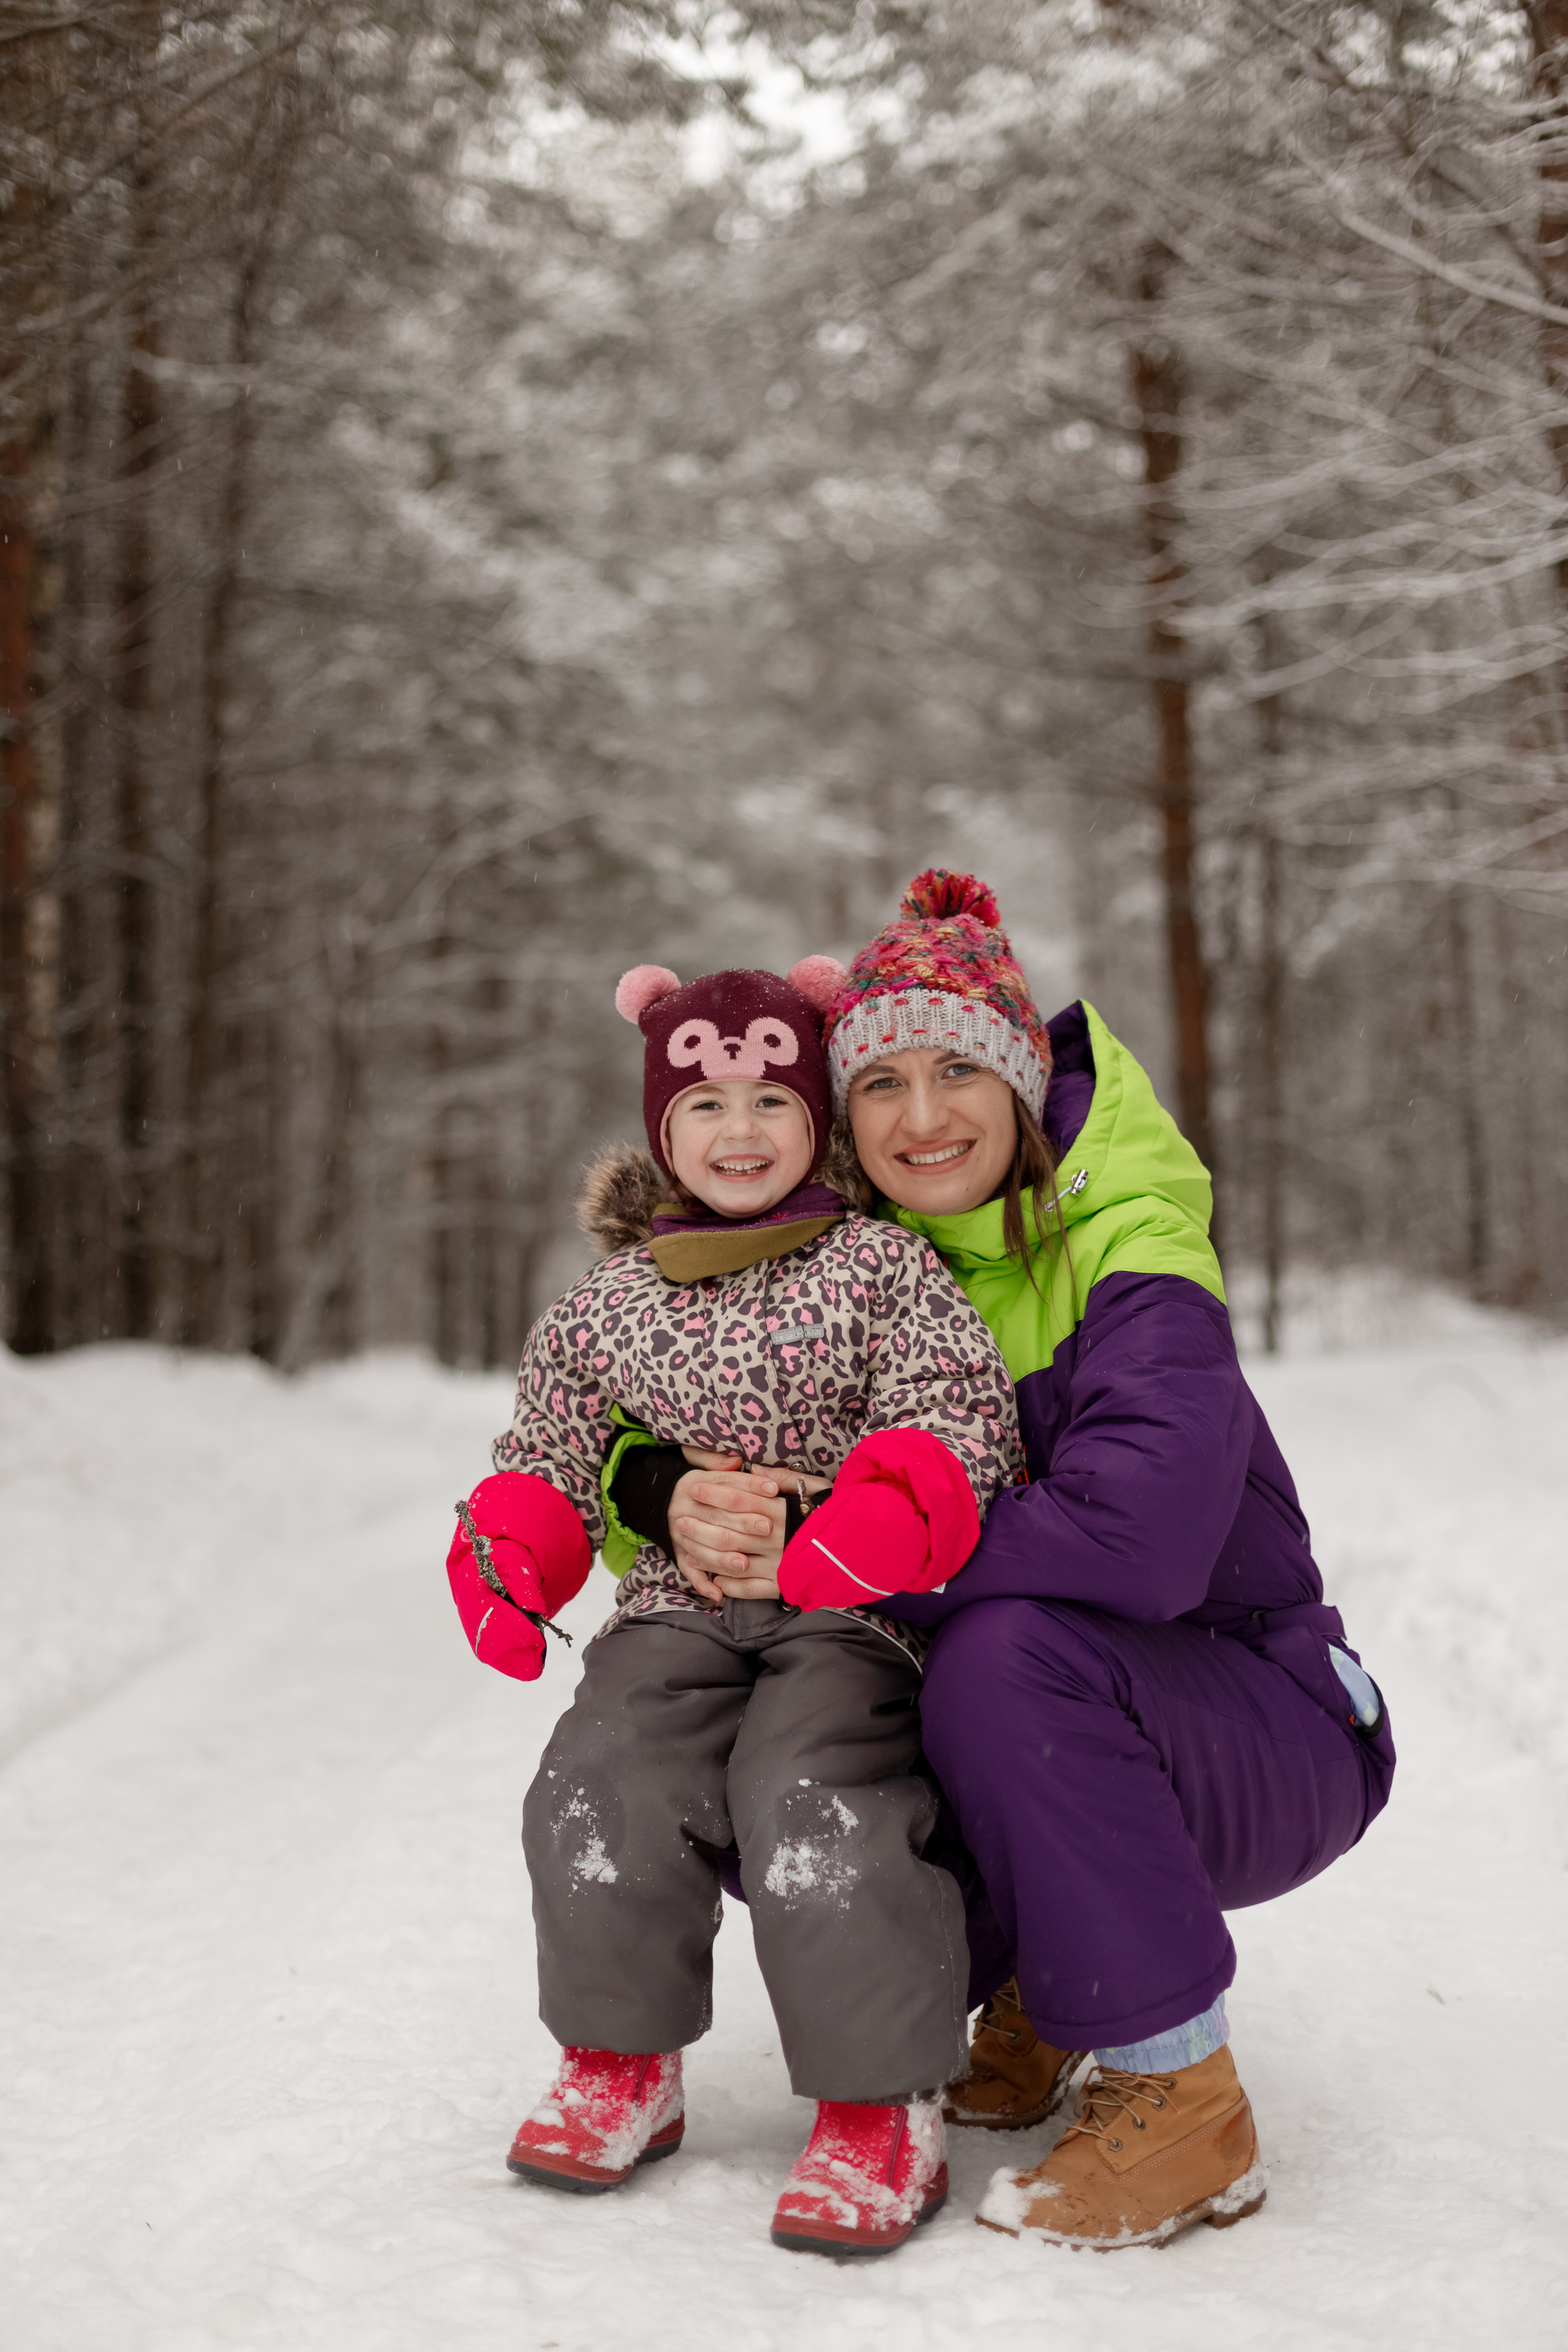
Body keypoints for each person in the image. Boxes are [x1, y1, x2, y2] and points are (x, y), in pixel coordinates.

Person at [631, 869, 1395, 2251]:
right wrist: (671, 1499)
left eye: (957, 1074)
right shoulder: (858, 1277)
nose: (922, 1120)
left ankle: (1183, 2101)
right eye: (880, 1087)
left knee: (999, 1655)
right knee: (774, 1728)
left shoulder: (1129, 1243)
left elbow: (1141, 1541)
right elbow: (688, 1431)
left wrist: (838, 1544)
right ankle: (1042, 1993)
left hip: (1259, 1715)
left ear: (1020, 1079)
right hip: (1096, 1710)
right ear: (842, 1119)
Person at [444, 959, 1023, 2257]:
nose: (741, 1130)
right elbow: (549, 1448)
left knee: (816, 1796)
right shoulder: (608, 1305)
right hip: (672, 1607)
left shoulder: (880, 1268)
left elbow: (954, 1412)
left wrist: (869, 1519)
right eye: (704, 1107)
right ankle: (618, 2063)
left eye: (771, 1098)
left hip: (850, 1616)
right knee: (598, 1780)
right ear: (661, 1132)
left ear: (815, 1117)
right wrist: (514, 1549)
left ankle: (879, 2105)